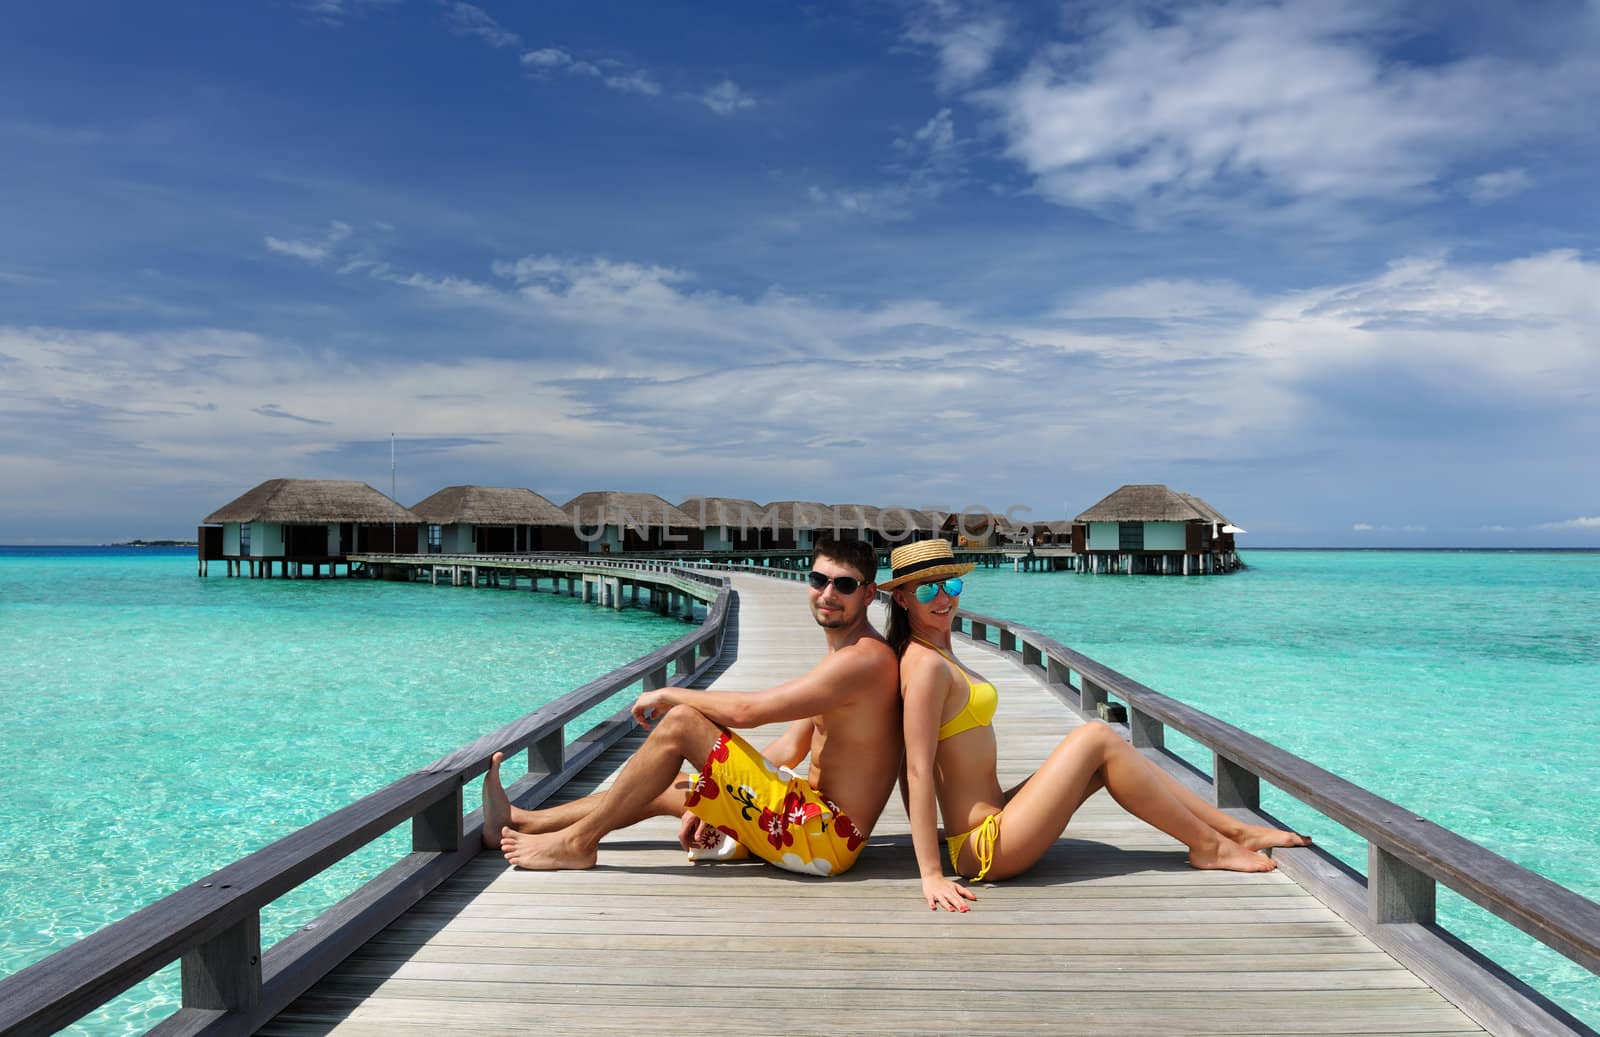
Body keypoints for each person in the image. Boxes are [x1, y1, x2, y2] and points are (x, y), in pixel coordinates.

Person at [885, 539, 1310, 912]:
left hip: (996, 822)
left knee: (1107, 749)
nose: (942, 597)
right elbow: (917, 768)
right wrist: (931, 873)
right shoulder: (924, 666)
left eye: (951, 584)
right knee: (1096, 737)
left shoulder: (937, 652)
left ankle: (1232, 830)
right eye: (926, 588)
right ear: (902, 599)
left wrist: (937, 835)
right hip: (986, 848)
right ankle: (1211, 846)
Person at [481, 537, 901, 875]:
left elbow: (748, 714)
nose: (828, 593)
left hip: (826, 839)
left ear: (868, 593)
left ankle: (577, 843)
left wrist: (669, 694)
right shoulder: (843, 658)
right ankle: (522, 822)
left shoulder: (864, 659)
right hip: (809, 820)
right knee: (671, 784)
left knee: (681, 722)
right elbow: (789, 749)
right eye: (818, 579)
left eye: (843, 585)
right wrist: (714, 798)